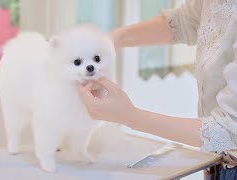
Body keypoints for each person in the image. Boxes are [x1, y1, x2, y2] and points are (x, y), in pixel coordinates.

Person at [77, 0, 237, 179]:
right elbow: (186, 20)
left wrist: (129, 116)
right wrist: (115, 39)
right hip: (217, 160)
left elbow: (229, 130)